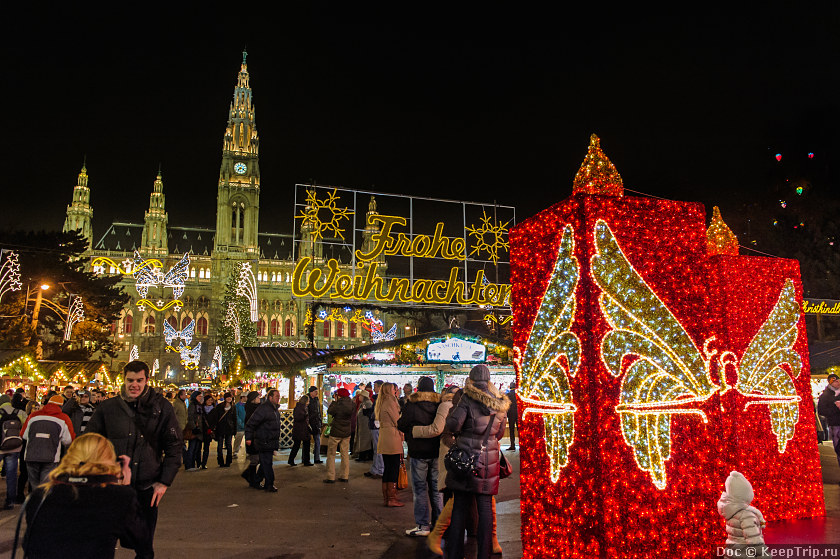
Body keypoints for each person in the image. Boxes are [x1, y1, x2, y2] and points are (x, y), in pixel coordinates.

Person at [86, 360, 182, 559]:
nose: (134, 385)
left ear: (147, 380)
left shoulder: (161, 407)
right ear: (124, 379)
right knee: (102, 542)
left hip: (147, 487)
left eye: (139, 380)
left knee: (144, 546)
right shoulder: (108, 408)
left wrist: (164, 482)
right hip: (113, 486)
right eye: (130, 380)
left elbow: (174, 445)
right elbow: (89, 443)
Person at [20, 433, 148, 559]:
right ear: (108, 461)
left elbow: (29, 545)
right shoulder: (119, 497)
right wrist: (125, 485)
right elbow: (137, 540)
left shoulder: (41, 495)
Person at [445, 365, 509, 559]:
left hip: (466, 459)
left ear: (471, 378)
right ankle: (484, 554)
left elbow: (453, 425)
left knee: (460, 508)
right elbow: (499, 433)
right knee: (485, 509)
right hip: (488, 460)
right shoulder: (500, 402)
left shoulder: (466, 398)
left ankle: (455, 553)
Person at [413, 385, 464, 554]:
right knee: (455, 495)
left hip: (453, 456)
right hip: (468, 459)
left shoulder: (447, 406)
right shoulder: (461, 406)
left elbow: (440, 430)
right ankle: (445, 533)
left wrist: (413, 431)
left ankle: (439, 531)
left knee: (445, 492)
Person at [398, 376, 443, 537]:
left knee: (420, 489)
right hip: (436, 451)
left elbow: (401, 424)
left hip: (418, 450)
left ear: (418, 388)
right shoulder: (439, 404)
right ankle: (439, 524)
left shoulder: (412, 404)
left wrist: (412, 430)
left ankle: (423, 525)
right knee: (437, 489)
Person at [22, 394, 75, 486]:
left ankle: (34, 499)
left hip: (31, 456)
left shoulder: (33, 416)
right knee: (45, 486)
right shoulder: (64, 418)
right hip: (51, 457)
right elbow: (68, 440)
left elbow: (24, 435)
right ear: (61, 406)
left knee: (34, 485)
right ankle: (42, 499)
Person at [717, 470, 767, 557]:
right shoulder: (747, 516)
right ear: (746, 494)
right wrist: (763, 555)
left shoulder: (730, 511)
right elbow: (754, 541)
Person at [245, 389, 282, 493]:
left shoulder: (274, 409)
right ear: (270, 397)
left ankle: (255, 480)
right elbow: (251, 423)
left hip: (271, 441)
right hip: (263, 440)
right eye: (276, 396)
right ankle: (269, 484)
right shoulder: (263, 409)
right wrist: (248, 437)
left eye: (279, 396)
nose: (278, 398)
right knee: (267, 463)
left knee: (265, 463)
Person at [375, 382, 404, 507]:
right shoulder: (390, 402)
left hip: (385, 436)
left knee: (388, 467)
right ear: (389, 390)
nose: (395, 391)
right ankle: (391, 498)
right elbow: (397, 420)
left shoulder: (382, 402)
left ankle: (387, 497)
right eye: (393, 389)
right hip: (391, 436)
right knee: (393, 467)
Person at [0, 394, 26, 509]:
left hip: (0, 447)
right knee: (12, 475)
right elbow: (25, 429)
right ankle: (10, 502)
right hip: (15, 447)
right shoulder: (19, 412)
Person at [323, 388, 353, 483]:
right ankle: (344, 475)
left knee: (331, 454)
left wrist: (334, 402)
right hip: (346, 432)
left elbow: (330, 411)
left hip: (336, 432)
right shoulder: (352, 404)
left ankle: (330, 476)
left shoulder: (337, 404)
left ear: (338, 395)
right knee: (345, 454)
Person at [818, 373, 840, 472]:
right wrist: (835, 408)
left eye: (838, 381)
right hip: (835, 425)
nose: (837, 383)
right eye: (834, 381)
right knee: (838, 450)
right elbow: (821, 411)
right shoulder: (825, 396)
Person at [209, 392, 236, 467]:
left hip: (229, 428)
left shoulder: (233, 407)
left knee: (229, 445)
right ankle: (220, 461)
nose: (229, 399)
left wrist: (235, 429)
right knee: (220, 446)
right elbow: (215, 417)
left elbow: (234, 419)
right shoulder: (219, 406)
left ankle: (228, 461)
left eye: (230, 397)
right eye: (227, 397)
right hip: (220, 428)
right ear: (225, 398)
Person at [364, 380, 385, 479]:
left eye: (375, 386)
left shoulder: (381, 399)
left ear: (380, 387)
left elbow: (377, 412)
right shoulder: (377, 398)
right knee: (376, 448)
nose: (374, 388)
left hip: (377, 426)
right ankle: (375, 469)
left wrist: (370, 414)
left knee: (378, 448)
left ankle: (380, 470)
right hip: (375, 425)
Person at [289, 394, 312, 467]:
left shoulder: (299, 407)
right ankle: (305, 461)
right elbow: (299, 418)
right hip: (302, 429)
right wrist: (305, 416)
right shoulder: (301, 408)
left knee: (297, 445)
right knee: (303, 445)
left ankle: (292, 459)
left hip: (300, 429)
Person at [355, 389, 373, 462]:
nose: (359, 397)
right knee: (364, 441)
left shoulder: (367, 403)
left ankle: (363, 456)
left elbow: (367, 414)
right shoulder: (363, 403)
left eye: (360, 396)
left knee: (365, 441)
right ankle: (364, 456)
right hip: (363, 425)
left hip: (365, 426)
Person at [307, 386, 323, 464]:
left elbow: (318, 412)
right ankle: (306, 459)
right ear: (311, 392)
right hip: (309, 423)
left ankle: (317, 458)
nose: (317, 393)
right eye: (315, 391)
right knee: (307, 442)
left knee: (317, 441)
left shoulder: (316, 400)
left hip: (316, 423)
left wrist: (320, 421)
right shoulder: (307, 399)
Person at [505, 382, 518, 451]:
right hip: (518, 414)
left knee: (511, 430)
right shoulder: (517, 395)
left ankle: (512, 445)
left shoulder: (508, 395)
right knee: (519, 430)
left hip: (510, 414)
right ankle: (522, 445)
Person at [234, 394, 247, 458]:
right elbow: (236, 416)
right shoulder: (237, 405)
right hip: (240, 426)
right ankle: (235, 452)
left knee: (248, 440)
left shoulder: (248, 405)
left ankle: (248, 452)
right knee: (238, 440)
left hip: (247, 425)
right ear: (242, 397)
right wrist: (241, 423)